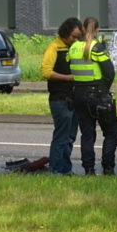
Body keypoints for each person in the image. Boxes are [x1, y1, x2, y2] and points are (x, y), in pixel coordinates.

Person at [68, 17, 117, 175]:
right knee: (111, 131)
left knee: (87, 134)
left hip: (79, 95)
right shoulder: (97, 48)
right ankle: (108, 167)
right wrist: (104, 90)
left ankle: (89, 169)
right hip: (97, 94)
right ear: (97, 30)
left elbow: (70, 67)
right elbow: (109, 72)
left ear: (82, 28)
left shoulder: (73, 47)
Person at [41, 18, 83, 174]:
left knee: (70, 137)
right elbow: (45, 72)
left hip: (74, 97)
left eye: (78, 37)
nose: (75, 40)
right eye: (73, 37)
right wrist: (69, 78)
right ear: (65, 33)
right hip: (60, 98)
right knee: (61, 137)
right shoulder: (54, 47)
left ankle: (66, 169)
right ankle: (56, 170)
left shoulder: (75, 47)